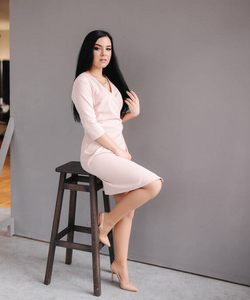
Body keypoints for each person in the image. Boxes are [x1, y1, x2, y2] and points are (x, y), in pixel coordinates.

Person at [71, 30, 163, 292]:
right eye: (98, 48)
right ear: (89, 50)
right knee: (153, 184)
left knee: (128, 209)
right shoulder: (83, 82)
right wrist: (118, 152)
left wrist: (130, 116)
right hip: (97, 154)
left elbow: (109, 124)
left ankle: (120, 266)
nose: (104, 54)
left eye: (108, 49)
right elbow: (91, 126)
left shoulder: (110, 82)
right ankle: (105, 222)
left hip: (115, 148)